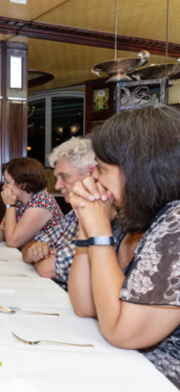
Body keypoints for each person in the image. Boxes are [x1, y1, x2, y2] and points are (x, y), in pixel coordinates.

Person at [68, 105, 180, 388]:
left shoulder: (176, 220)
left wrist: (99, 232)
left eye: (102, 169)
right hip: (128, 366)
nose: (94, 179)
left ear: (139, 171)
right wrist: (87, 224)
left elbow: (123, 332)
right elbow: (85, 305)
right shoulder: (132, 219)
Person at [21, 137, 95, 289]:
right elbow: (28, 247)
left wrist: (40, 258)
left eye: (64, 177)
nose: (57, 185)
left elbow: (47, 269)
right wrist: (34, 251)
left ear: (91, 173)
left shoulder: (106, 217)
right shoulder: (75, 213)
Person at [0, 157, 63, 248]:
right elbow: (2, 229)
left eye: (7, 182)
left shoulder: (42, 202)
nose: (4, 187)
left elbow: (13, 242)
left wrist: (10, 205)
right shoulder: (19, 200)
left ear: (23, 185)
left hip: (50, 258)